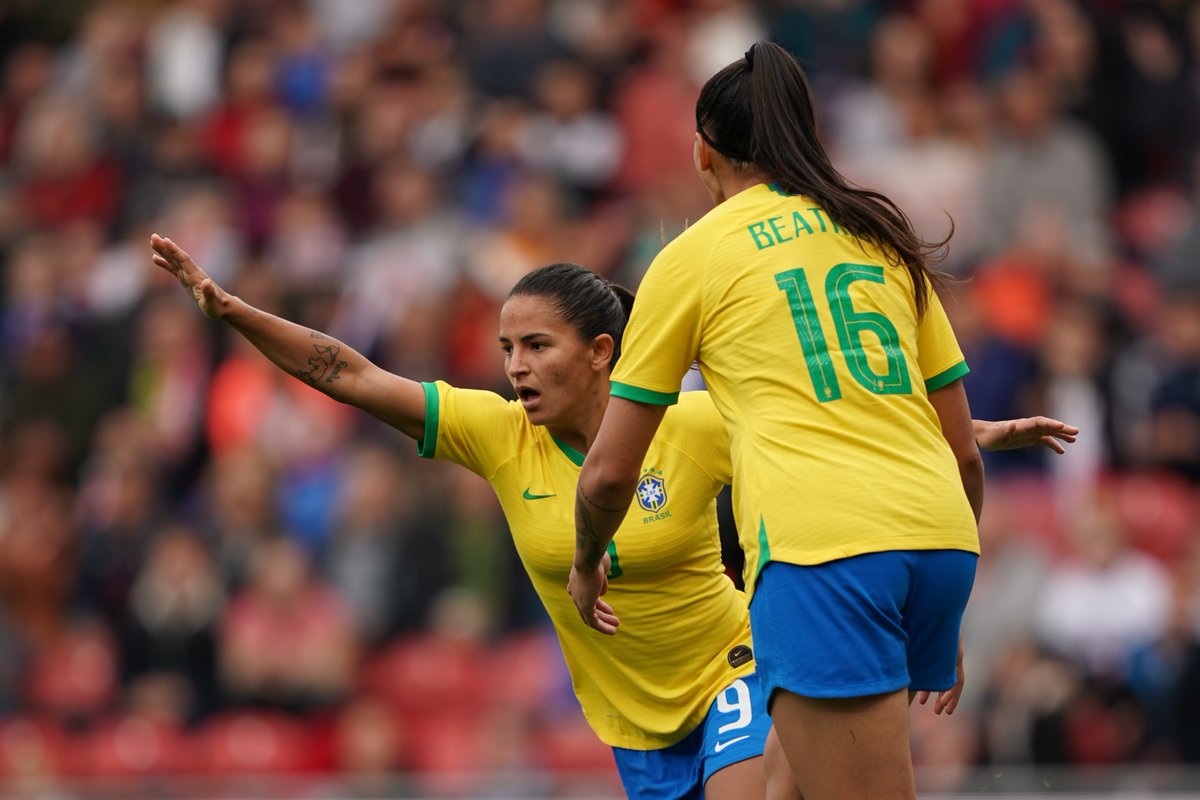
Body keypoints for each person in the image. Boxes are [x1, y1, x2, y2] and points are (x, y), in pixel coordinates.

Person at [151, 236, 1075, 799]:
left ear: (601, 354)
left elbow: (830, 418)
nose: (514, 365)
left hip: (737, 668)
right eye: (507, 346)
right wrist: (229, 311)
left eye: (537, 345)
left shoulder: (693, 420)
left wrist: (976, 428)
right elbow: (343, 372)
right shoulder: (492, 433)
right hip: (632, 725)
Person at [567, 41, 999, 800]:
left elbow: (607, 471)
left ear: (704, 152)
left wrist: (586, 558)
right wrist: (939, 602)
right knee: (781, 787)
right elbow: (962, 451)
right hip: (939, 539)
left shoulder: (693, 255)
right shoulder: (875, 234)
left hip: (824, 552)